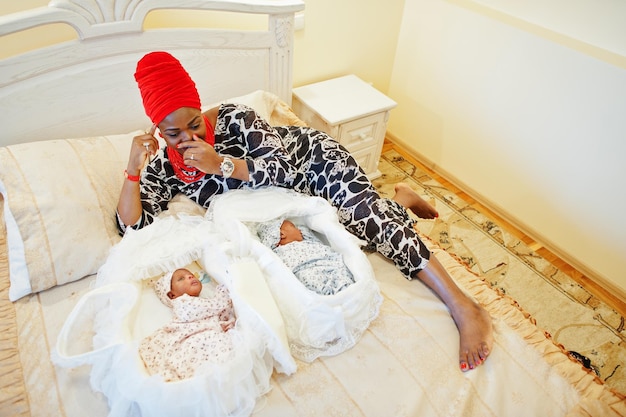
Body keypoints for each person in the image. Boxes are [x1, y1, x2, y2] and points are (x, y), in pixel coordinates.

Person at [118, 51, 492, 372]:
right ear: (158, 131)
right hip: (283, 205)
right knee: (341, 240)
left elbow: (281, 168)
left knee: (366, 219)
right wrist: (132, 171)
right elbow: (131, 227)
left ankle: (463, 305)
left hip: (311, 163)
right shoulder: (165, 166)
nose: (189, 139)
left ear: (201, 110)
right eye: (174, 133)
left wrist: (222, 165)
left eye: (195, 124)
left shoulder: (235, 117)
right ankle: (400, 202)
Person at [139, 268, 236, 381]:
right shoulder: (183, 303)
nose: (190, 277)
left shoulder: (200, 302)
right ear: (172, 295)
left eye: (191, 274)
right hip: (192, 338)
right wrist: (223, 289)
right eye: (181, 279)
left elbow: (216, 314)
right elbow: (219, 305)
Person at [257, 218, 355, 295]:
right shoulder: (279, 253)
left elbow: (318, 245)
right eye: (293, 227)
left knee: (340, 275)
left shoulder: (307, 242)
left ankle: (343, 287)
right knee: (310, 278)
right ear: (282, 234)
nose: (299, 230)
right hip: (305, 271)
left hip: (325, 263)